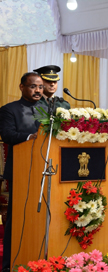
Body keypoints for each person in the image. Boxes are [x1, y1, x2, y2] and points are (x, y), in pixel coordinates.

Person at [0, 72, 44, 272]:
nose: (37, 90)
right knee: (17, 219)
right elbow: (8, 134)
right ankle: (10, 264)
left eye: (40, 87)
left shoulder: (47, 109)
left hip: (45, 172)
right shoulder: (9, 110)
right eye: (33, 86)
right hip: (20, 172)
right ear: (21, 87)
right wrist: (31, 137)